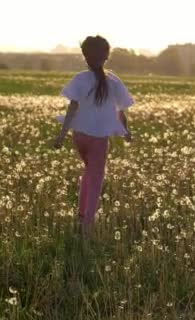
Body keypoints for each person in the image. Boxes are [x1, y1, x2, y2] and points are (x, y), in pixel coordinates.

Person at [52, 35, 134, 237]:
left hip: (79, 136)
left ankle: (81, 215)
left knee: (89, 173)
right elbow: (120, 111)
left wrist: (62, 135)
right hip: (98, 140)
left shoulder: (80, 79)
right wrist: (126, 130)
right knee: (95, 179)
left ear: (85, 56)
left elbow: (72, 107)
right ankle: (86, 225)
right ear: (106, 56)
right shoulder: (113, 81)